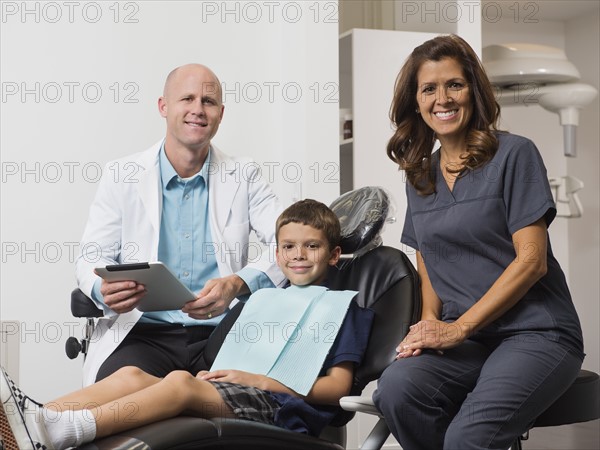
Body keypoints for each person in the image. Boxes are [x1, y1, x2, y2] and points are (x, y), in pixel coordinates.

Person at [1, 199, 374, 450]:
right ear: (275, 254)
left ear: (335, 254)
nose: (298, 256)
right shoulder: (261, 299)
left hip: (281, 407)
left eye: (311, 246)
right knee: (131, 374)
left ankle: (62, 431)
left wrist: (259, 380)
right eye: (289, 247)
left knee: (179, 381)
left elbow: (337, 387)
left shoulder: (343, 308)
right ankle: (33, 419)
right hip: (237, 392)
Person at [372, 34, 585, 450]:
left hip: (535, 333)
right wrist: (430, 324)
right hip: (468, 340)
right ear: (416, 102)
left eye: (455, 84)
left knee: (469, 438)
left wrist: (457, 329)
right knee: (396, 388)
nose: (443, 99)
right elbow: (427, 261)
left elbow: (531, 261)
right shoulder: (420, 176)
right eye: (429, 89)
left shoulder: (514, 154)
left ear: (474, 90)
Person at [75, 63, 285, 385]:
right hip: (144, 334)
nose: (197, 110)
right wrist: (102, 290)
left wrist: (238, 283)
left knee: (252, 397)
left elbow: (289, 245)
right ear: (163, 106)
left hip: (221, 336)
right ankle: (46, 425)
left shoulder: (244, 175)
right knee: (123, 389)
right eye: (187, 98)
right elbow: (91, 256)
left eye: (208, 101)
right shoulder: (122, 174)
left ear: (221, 113)